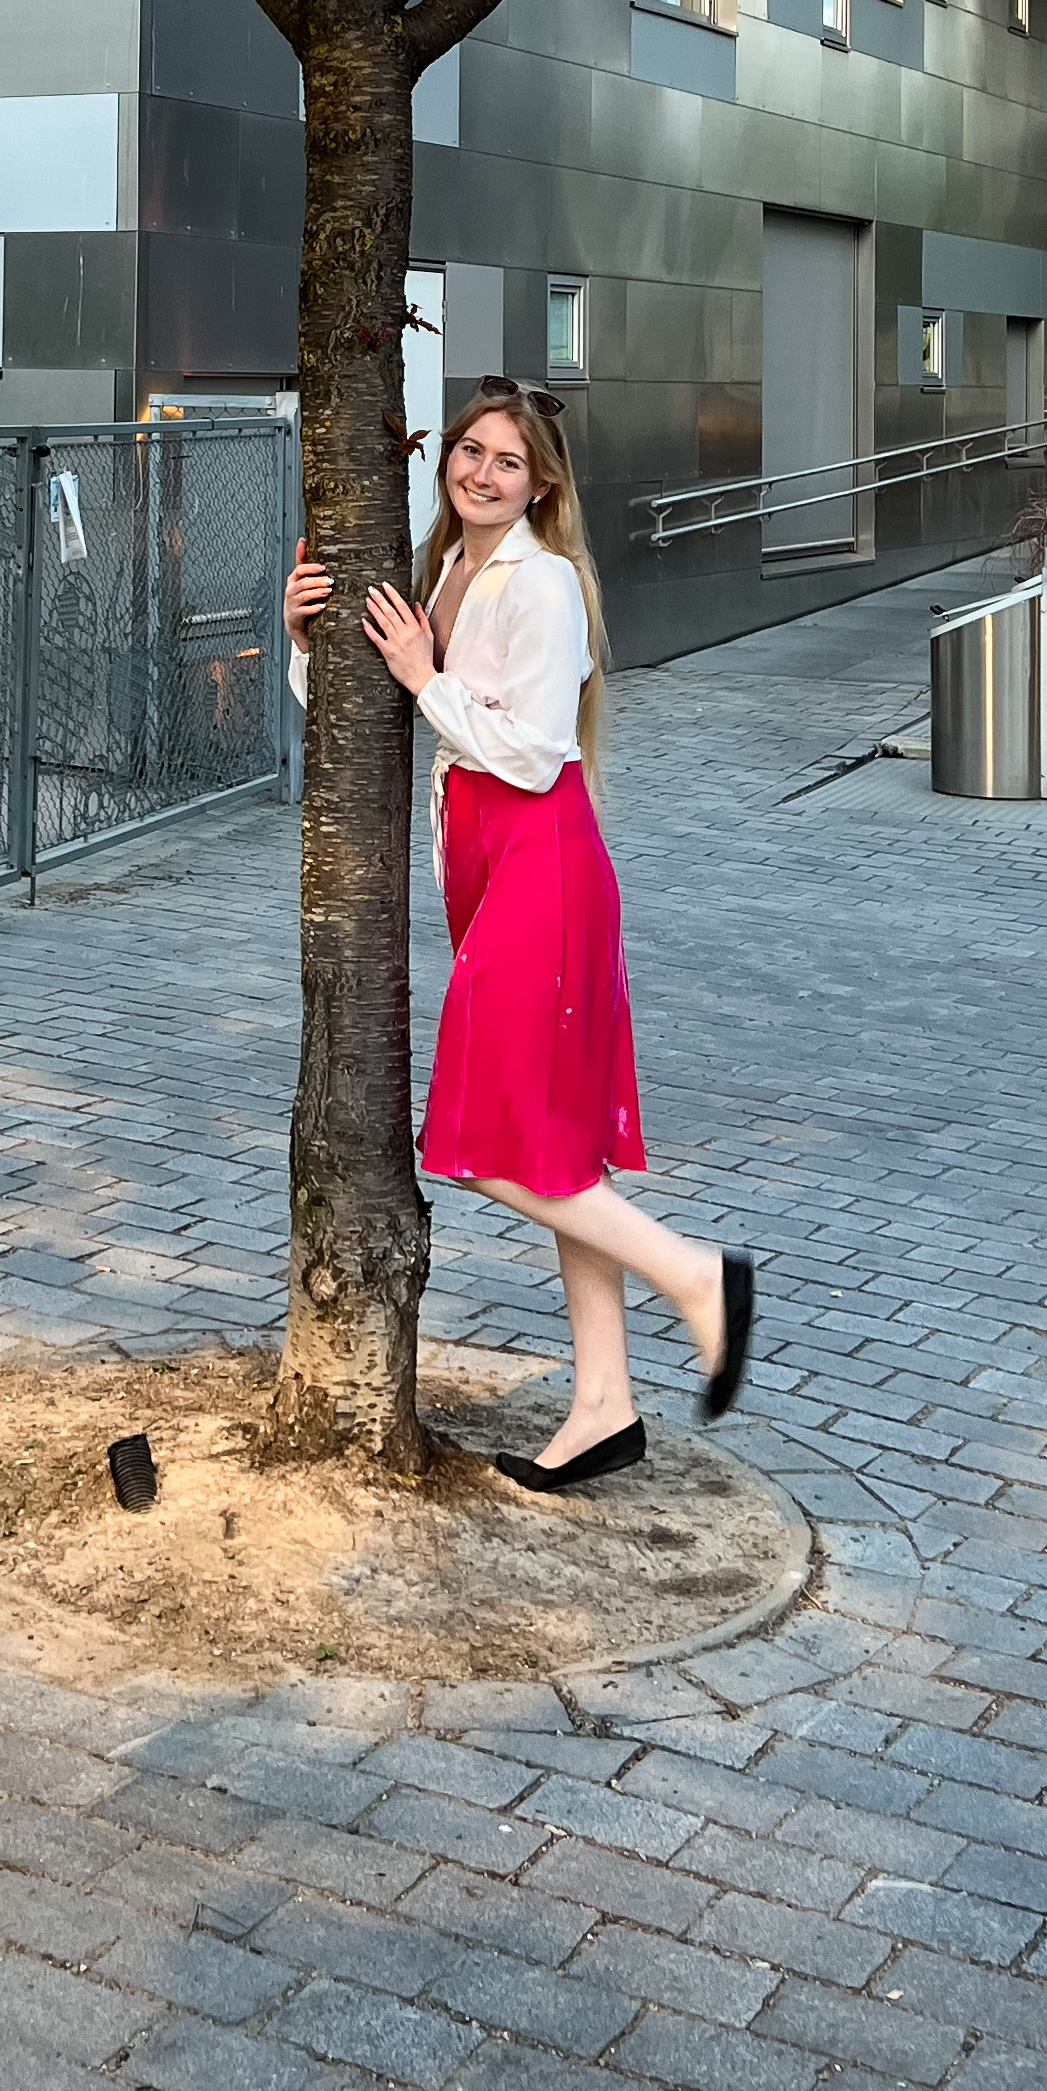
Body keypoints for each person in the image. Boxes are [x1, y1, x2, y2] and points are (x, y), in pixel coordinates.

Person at [287, 377, 753, 1490]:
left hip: (540, 863)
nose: (482, 473)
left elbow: (534, 751)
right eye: (470, 452)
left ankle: (694, 1276)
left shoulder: (539, 584)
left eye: (507, 462)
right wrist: (303, 635)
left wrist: (423, 675)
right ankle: (604, 1404)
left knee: (488, 1143)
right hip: (488, 866)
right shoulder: (451, 567)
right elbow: (375, 711)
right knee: (554, 1147)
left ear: (541, 483)